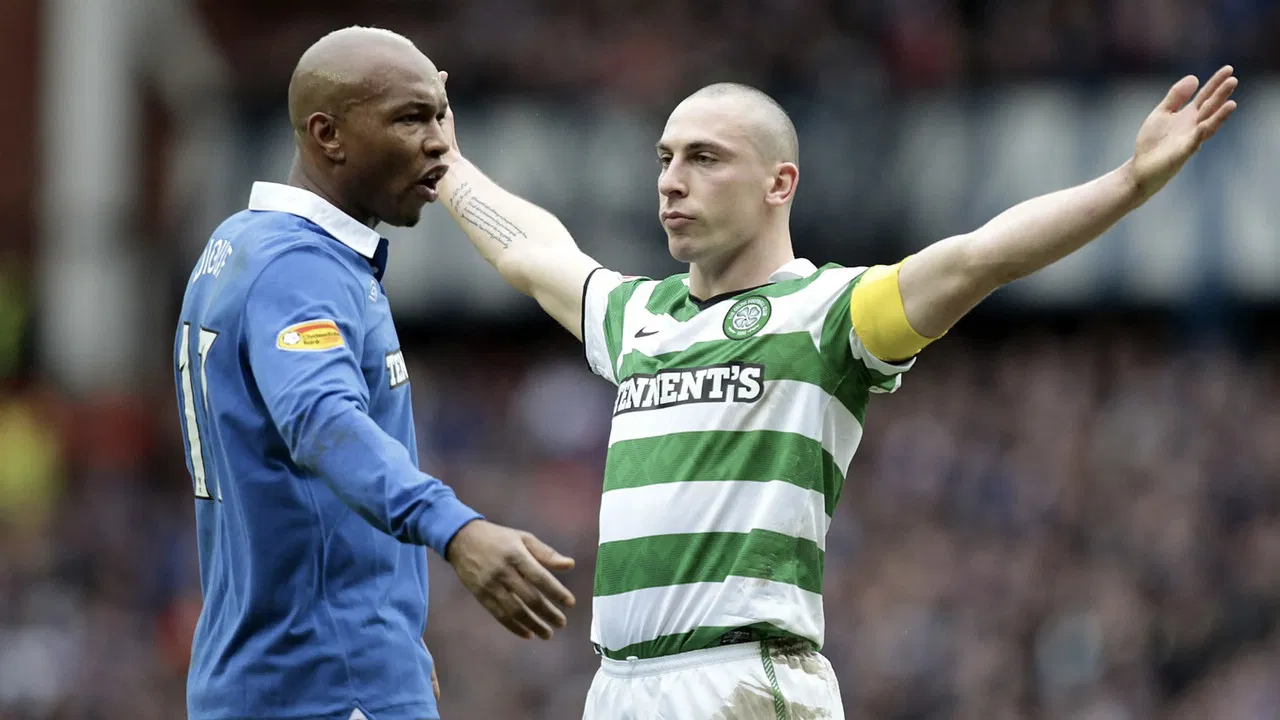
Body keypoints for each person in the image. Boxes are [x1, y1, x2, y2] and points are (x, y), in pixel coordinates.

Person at [433, 65, 1240, 717]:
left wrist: (1131, 181)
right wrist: (450, 169)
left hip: (741, 679)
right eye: (665, 157)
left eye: (704, 158)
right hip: (616, 684)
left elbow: (980, 257)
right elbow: (532, 253)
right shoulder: (636, 315)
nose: (672, 181)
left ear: (779, 183)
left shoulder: (830, 311)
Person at [172, 27, 576, 720]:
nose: (441, 143)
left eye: (442, 113)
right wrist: (457, 529)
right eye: (410, 118)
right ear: (328, 134)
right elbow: (321, 422)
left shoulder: (238, 244)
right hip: (325, 683)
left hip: (280, 674)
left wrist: (396, 649)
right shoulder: (299, 268)